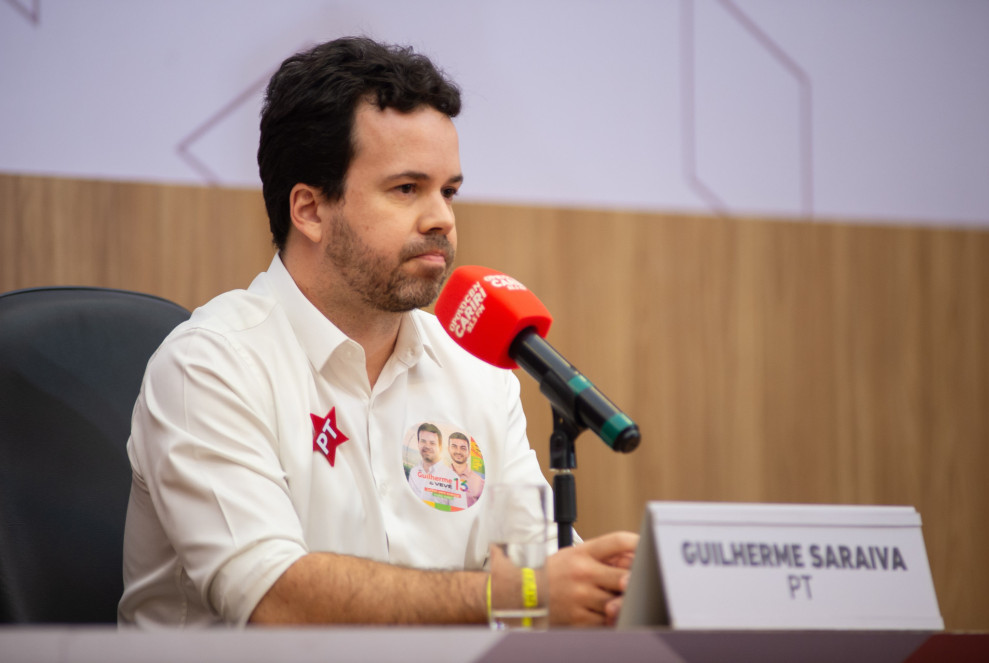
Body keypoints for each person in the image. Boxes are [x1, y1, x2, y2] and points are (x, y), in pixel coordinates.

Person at [118, 35, 636, 628]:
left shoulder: (478, 374)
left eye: (450, 191)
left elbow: (539, 571)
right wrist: (514, 595)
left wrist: (610, 586)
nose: (442, 217)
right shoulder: (209, 367)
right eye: (406, 189)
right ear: (310, 209)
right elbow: (272, 599)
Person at [407, 423, 467, 511]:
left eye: (432, 443)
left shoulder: (454, 479)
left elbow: (459, 514)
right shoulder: (414, 472)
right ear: (418, 443)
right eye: (423, 441)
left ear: (440, 447)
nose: (427, 446)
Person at [447, 431, 484, 508]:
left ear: (469, 452)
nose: (458, 451)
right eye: (454, 446)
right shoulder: (440, 476)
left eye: (463, 448)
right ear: (448, 449)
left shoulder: (480, 482)